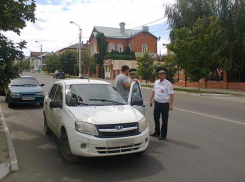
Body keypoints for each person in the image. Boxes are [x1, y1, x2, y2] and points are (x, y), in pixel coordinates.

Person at [149, 67, 174, 140]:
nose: (161, 76)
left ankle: (163, 135)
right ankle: (157, 132)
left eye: (163, 74)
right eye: (160, 74)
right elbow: (153, 91)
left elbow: (171, 94)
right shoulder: (156, 82)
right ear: (158, 75)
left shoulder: (168, 83)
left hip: (164, 104)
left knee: (164, 120)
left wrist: (171, 104)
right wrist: (150, 100)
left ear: (165, 75)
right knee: (156, 118)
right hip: (157, 103)